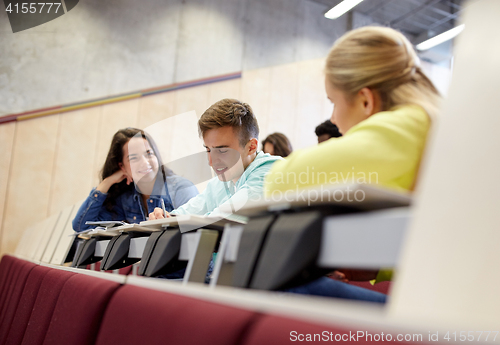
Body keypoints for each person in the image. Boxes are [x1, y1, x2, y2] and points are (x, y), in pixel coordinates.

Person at [265, 26, 441, 302]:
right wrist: (376, 265)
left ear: (366, 100)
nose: (333, 118)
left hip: (443, 317)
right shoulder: (435, 120)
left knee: (277, 284)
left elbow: (279, 181)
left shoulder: (409, 124)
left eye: (333, 102)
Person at [149, 98, 282, 221]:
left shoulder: (270, 172)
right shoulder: (221, 183)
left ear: (251, 147)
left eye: (222, 151)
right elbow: (189, 212)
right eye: (208, 150)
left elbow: (220, 219)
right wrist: (165, 216)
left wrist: (175, 222)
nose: (211, 162)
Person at [72, 128, 199, 232]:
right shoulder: (126, 198)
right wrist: (106, 183)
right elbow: (82, 226)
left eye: (149, 153)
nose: (145, 163)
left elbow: (197, 233)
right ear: (122, 167)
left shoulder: (181, 188)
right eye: (133, 158)